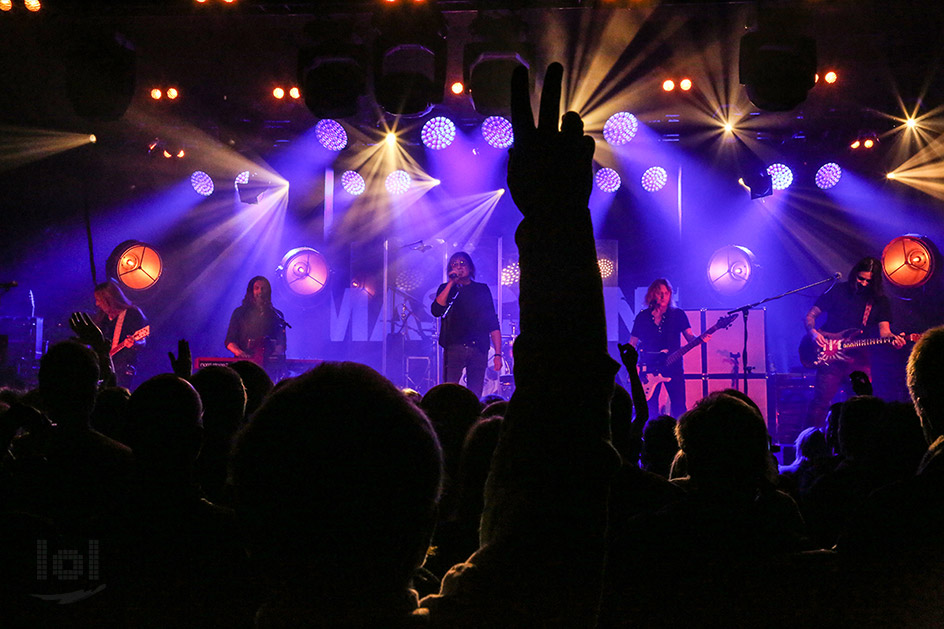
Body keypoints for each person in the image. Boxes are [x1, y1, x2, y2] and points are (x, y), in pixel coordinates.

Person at [804, 256, 906, 426]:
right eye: (861, 278)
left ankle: (857, 441)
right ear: (854, 274)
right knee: (820, 401)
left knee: (861, 403)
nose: (864, 284)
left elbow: (884, 333)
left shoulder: (880, 301)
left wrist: (894, 339)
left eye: (868, 281)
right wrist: (813, 333)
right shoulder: (838, 290)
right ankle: (810, 440)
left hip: (858, 357)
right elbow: (810, 315)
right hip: (830, 353)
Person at [630, 278, 706, 418]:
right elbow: (632, 344)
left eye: (666, 292)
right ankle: (649, 436)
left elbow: (690, 337)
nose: (663, 296)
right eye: (659, 293)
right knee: (649, 408)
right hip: (649, 369)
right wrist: (633, 367)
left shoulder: (678, 314)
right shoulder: (642, 317)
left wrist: (700, 339)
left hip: (673, 367)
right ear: (652, 294)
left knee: (679, 406)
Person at [431, 252, 502, 398]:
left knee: (475, 392)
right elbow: (436, 310)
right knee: (450, 391)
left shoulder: (481, 289)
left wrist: (498, 354)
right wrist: (451, 283)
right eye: (454, 264)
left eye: (462, 263)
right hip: (454, 346)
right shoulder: (446, 288)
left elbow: (492, 322)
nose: (458, 267)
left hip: (479, 348)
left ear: (470, 267)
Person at [224, 276, 287, 380]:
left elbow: (281, 342)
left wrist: (275, 353)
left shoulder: (276, 315)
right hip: (244, 365)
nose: (260, 292)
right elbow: (230, 341)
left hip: (269, 366)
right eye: (256, 288)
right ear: (251, 291)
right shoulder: (240, 313)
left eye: (263, 288)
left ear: (268, 291)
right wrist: (240, 353)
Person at [93, 279, 148, 390]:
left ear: (108, 299)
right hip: (104, 368)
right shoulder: (102, 318)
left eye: (99, 300)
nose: (97, 303)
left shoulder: (132, 314)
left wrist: (135, 342)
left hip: (122, 368)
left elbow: (143, 340)